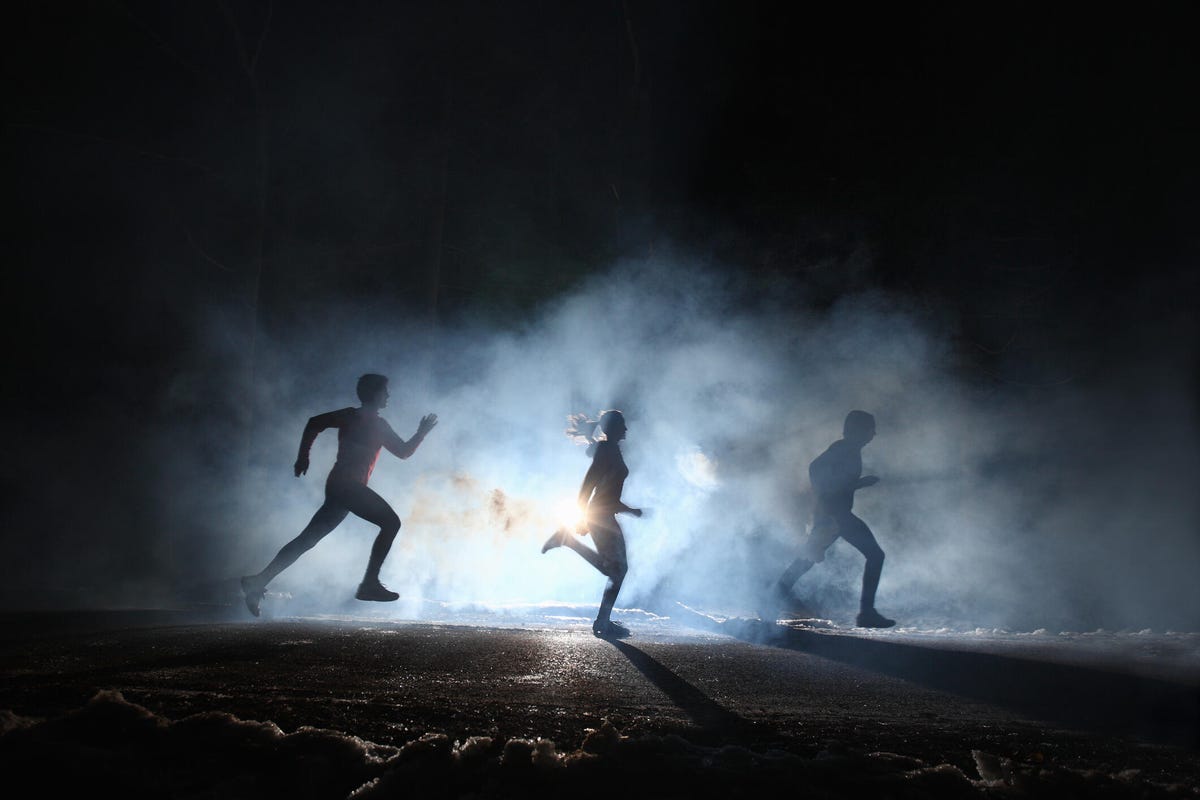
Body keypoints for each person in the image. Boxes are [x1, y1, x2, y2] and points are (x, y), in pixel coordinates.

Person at [239, 374, 438, 616]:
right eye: (385, 391)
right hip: (348, 487)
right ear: (374, 394)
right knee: (391, 522)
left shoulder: (351, 416)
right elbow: (404, 452)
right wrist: (422, 433)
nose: (388, 396)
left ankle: (258, 581)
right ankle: (369, 584)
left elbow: (314, 422)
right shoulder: (375, 424)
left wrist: (304, 456)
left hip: (338, 486)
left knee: (307, 540)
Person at [769, 410, 895, 628]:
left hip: (834, 516)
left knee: (807, 560)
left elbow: (825, 476)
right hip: (835, 516)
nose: (873, 434)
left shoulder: (848, 449)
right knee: (875, 555)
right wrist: (858, 484)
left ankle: (770, 600)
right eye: (869, 429)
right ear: (858, 430)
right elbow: (816, 469)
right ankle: (866, 613)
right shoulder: (844, 449)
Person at [541, 409, 642, 638]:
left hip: (604, 515)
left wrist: (629, 510)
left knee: (617, 570)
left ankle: (603, 621)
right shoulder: (607, 451)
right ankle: (602, 621)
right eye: (623, 425)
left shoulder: (611, 450)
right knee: (617, 570)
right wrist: (582, 514)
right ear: (614, 428)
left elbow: (608, 495)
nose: (626, 429)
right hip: (599, 516)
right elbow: (589, 483)